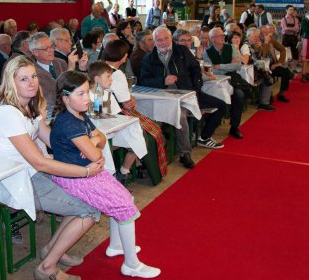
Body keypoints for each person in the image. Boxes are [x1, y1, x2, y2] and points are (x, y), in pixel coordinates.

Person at [0, 56, 103, 280]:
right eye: (24, 79)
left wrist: (84, 141)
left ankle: (52, 250)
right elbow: (39, 161)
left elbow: (53, 142)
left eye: (33, 76)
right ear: (11, 83)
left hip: (33, 174)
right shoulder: (7, 113)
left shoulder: (29, 105)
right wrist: (86, 170)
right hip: (16, 182)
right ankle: (46, 268)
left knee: (87, 199)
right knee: (90, 210)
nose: (32, 82)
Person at [51, 70, 161, 278]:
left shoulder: (79, 115)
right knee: (125, 206)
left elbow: (100, 138)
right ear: (66, 98)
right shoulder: (68, 122)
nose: (88, 98)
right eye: (81, 94)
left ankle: (116, 245)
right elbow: (94, 152)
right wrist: (93, 144)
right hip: (76, 178)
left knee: (126, 198)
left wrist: (92, 142)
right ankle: (131, 264)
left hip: (88, 173)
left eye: (87, 92)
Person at [141, 27, 225, 169]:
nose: (163, 42)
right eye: (159, 40)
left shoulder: (182, 51)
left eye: (166, 39)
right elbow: (143, 81)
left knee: (181, 115)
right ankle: (172, 152)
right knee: (177, 116)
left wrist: (195, 89)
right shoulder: (149, 58)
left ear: (171, 39)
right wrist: (163, 81)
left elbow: (195, 69)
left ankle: (184, 153)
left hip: (186, 96)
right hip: (161, 99)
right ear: (154, 42)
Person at [101, 43, 168, 185]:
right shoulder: (116, 73)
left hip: (104, 113)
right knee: (151, 132)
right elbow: (126, 102)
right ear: (124, 57)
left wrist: (128, 99)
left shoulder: (98, 67)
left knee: (147, 129)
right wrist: (128, 99)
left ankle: (136, 164)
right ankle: (125, 171)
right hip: (116, 115)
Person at [202, 28, 248, 137]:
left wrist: (220, 66)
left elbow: (238, 65)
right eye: (220, 36)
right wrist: (228, 65)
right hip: (216, 80)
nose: (223, 37)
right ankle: (212, 124)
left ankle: (234, 127)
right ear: (213, 39)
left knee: (239, 95)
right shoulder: (207, 52)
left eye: (223, 35)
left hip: (232, 78)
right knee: (215, 96)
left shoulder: (231, 47)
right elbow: (210, 70)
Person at [29, 32, 87, 119]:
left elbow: (79, 87)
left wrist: (82, 68)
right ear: (35, 52)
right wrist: (70, 70)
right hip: (52, 115)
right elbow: (53, 98)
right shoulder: (33, 73)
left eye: (52, 46)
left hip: (73, 108)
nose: (51, 50)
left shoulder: (60, 62)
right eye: (46, 48)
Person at [241, 28, 275, 111]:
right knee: (268, 78)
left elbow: (260, 56)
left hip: (254, 69)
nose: (257, 38)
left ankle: (264, 100)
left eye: (257, 36)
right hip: (249, 72)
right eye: (255, 36)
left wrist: (260, 48)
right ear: (248, 36)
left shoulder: (254, 45)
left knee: (268, 75)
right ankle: (263, 103)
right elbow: (247, 61)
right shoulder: (246, 46)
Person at [260, 25, 293, 103]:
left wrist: (279, 63)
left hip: (272, 64)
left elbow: (282, 49)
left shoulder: (271, 39)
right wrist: (265, 43)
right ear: (260, 34)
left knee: (286, 72)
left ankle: (281, 94)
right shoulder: (258, 41)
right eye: (263, 32)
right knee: (268, 76)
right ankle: (268, 95)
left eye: (267, 32)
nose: (266, 34)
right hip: (263, 66)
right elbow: (261, 56)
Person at [281, 5, 301, 73]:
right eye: (290, 9)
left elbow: (297, 29)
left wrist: (288, 28)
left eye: (292, 9)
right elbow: (284, 29)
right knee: (286, 54)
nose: (291, 11)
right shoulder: (283, 19)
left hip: (294, 37)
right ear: (286, 10)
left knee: (295, 53)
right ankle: (286, 69)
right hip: (286, 37)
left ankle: (293, 68)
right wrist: (293, 29)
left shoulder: (296, 19)